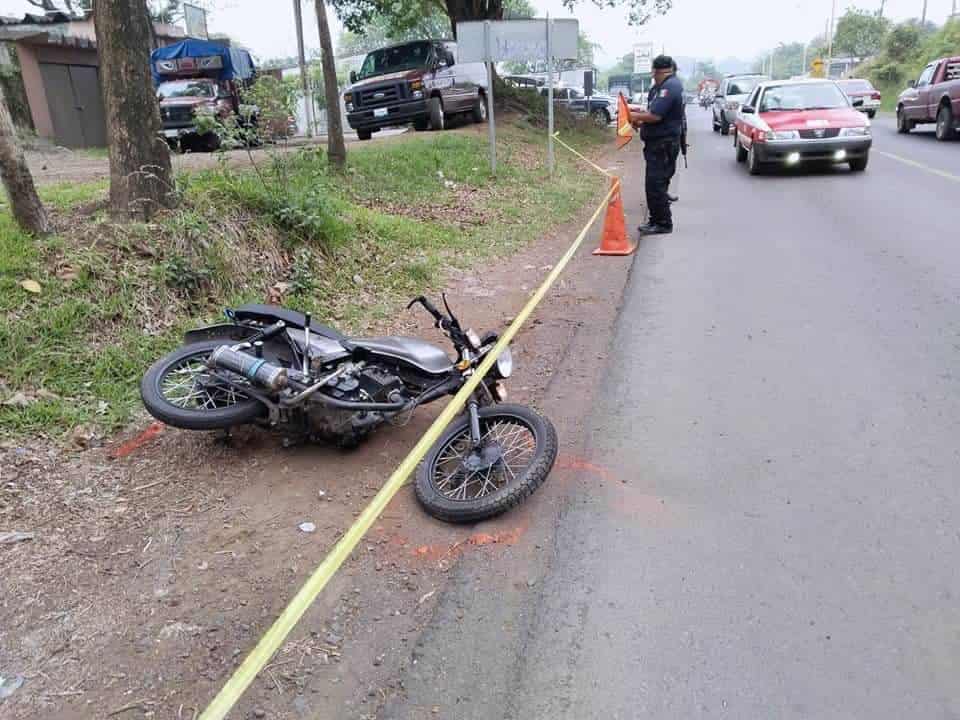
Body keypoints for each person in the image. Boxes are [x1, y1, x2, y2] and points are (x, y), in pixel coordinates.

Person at [630, 55, 685, 235]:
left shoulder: (669, 87)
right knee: (656, 183)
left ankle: (662, 222)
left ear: (660, 71)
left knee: (655, 184)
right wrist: (641, 120)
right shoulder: (663, 86)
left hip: (663, 144)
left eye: (654, 73)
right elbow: (653, 113)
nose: (653, 76)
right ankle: (657, 219)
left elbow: (656, 116)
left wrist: (634, 117)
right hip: (659, 143)